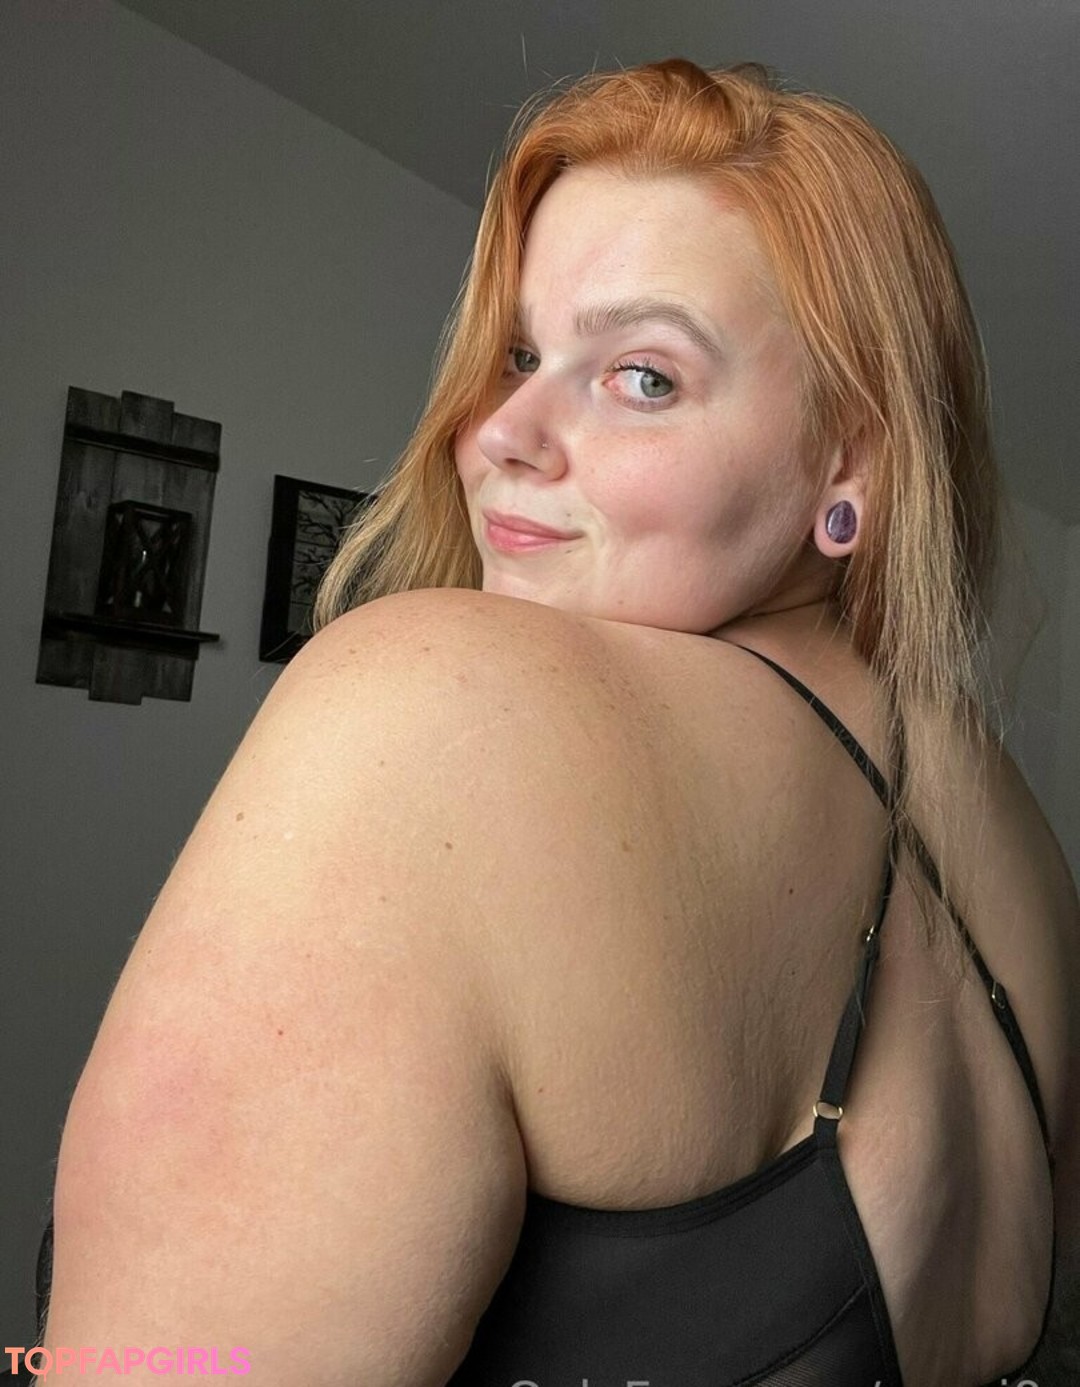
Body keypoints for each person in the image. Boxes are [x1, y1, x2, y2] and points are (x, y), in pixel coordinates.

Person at [39, 57, 1078, 1387]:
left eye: (643, 376)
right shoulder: (1012, 829)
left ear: (850, 465)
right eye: (524, 356)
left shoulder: (431, 714)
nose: (501, 433)